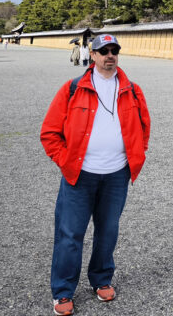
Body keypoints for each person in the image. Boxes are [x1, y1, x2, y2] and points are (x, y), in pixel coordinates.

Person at [40, 34, 151, 316]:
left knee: (108, 231)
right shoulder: (73, 88)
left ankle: (101, 279)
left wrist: (133, 157)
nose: (109, 55)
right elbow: (50, 133)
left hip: (116, 175)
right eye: (103, 51)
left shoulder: (132, 90)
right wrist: (66, 162)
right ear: (93, 54)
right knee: (70, 234)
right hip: (80, 175)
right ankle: (63, 290)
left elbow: (144, 128)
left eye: (114, 50)